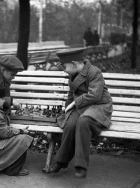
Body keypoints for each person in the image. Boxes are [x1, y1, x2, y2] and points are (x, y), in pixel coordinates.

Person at [48, 48, 113, 178]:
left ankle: (81, 165)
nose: (64, 70)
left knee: (83, 122)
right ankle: (62, 160)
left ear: (73, 63)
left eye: (65, 66)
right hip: (82, 107)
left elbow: (95, 95)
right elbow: (71, 95)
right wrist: (67, 110)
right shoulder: (72, 75)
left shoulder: (94, 72)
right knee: (70, 124)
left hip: (98, 107)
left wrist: (74, 104)